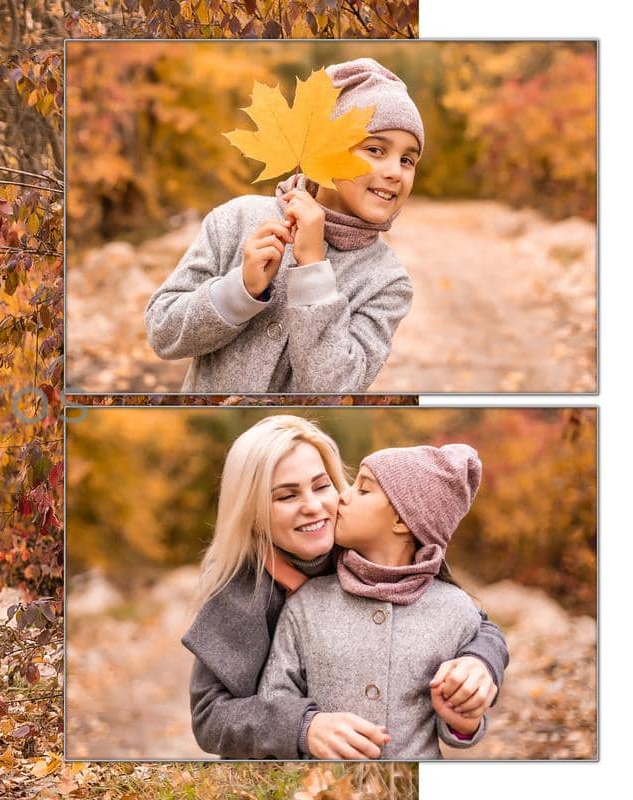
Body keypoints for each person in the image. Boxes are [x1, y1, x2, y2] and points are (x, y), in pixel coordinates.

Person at [180, 415, 507, 758]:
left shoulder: (373, 544)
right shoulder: (241, 593)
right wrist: (304, 728)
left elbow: (474, 624)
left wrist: (479, 664)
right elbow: (209, 719)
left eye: (322, 486)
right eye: (286, 496)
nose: (314, 507)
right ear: (254, 512)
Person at [144, 58, 419, 392]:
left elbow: (334, 392)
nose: (394, 171)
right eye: (376, 149)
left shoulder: (388, 282)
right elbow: (162, 332)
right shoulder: (235, 219)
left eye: (408, 159)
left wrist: (314, 272)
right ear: (326, 149)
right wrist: (240, 289)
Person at [261, 444, 491, 758]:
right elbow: (274, 701)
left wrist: (463, 719)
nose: (343, 495)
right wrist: (307, 728)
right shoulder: (307, 603)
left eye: (364, 489)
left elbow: (459, 726)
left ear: (402, 520)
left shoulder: (456, 610)